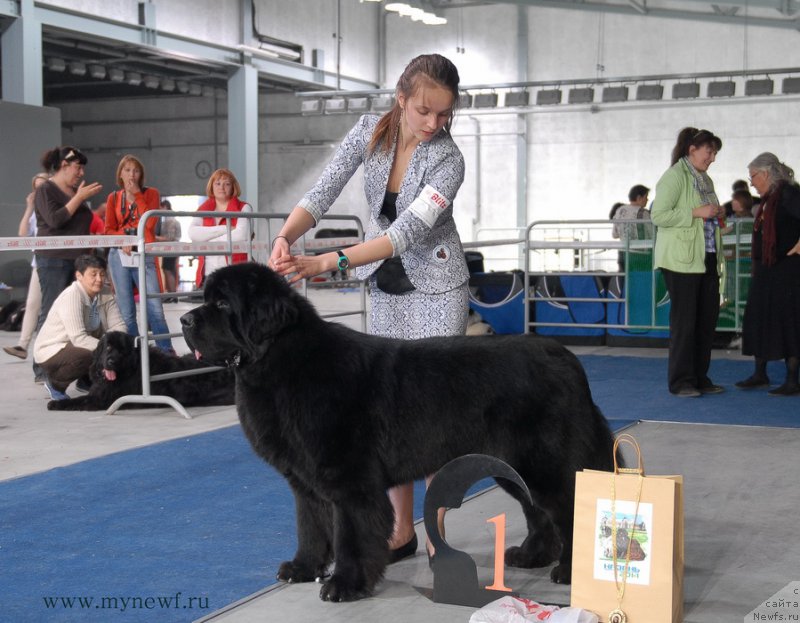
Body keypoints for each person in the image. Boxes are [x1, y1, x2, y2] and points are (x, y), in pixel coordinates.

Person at [269, 53, 469, 563]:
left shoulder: (450, 160)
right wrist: (286, 235)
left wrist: (327, 261)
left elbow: (406, 233)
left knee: (433, 418)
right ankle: (400, 530)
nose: (435, 124)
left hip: (437, 290)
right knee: (389, 416)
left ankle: (438, 538)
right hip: (384, 288)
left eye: (445, 114)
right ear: (401, 98)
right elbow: (323, 188)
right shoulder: (368, 131)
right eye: (425, 110)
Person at [650, 127, 725, 397]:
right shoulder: (674, 177)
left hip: (705, 257)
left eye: (715, 152)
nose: (713, 157)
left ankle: (699, 377)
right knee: (685, 323)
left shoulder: (705, 179)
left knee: (706, 320)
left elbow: (705, 213)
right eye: (710, 151)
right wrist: (695, 212)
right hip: (681, 261)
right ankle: (681, 381)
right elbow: (658, 215)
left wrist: (717, 213)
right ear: (692, 149)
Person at [34, 146, 103, 385]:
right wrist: (79, 198)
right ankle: (41, 368)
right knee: (50, 310)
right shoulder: (46, 190)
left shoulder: (76, 191)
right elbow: (55, 220)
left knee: (82, 313)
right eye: (78, 167)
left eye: (82, 167)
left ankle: (81, 367)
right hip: (53, 259)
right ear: (64, 165)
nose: (81, 173)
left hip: (77, 261)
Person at [735, 153, 800, 396]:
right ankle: (760, 373)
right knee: (759, 318)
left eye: (753, 176)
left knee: (789, 323)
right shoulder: (769, 199)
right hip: (767, 269)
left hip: (788, 270)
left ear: (766, 174)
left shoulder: (788, 194)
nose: (751, 182)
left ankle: (792, 379)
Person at [103, 155, 173, 352]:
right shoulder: (113, 198)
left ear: (141, 174)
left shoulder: (151, 194)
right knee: (126, 312)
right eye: (127, 170)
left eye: (136, 170)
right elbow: (108, 229)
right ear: (120, 174)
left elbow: (150, 224)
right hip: (119, 256)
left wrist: (137, 196)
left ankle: (166, 353)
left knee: (155, 310)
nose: (132, 174)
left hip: (144, 254)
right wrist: (124, 238)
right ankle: (135, 354)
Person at [32, 254, 126, 401]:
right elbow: (79, 338)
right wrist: (110, 349)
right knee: (90, 355)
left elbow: (118, 325)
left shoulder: (105, 292)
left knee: (116, 350)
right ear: (79, 276)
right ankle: (55, 384)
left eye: (102, 274)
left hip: (81, 343)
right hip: (53, 349)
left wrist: (120, 345)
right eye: (93, 274)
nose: (99, 279)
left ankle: (86, 381)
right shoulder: (72, 296)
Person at [3, 173, 50, 362]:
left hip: (56, 264)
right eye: (36, 187)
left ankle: (45, 349)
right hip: (38, 263)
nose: (39, 191)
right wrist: (30, 207)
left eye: (43, 186)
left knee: (50, 308)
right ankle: (23, 345)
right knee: (32, 305)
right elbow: (23, 234)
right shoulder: (35, 212)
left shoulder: (54, 207)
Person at [188, 168, 252, 288]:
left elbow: (241, 235)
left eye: (227, 184)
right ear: (211, 186)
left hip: (235, 272)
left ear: (233, 187)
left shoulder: (244, 208)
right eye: (217, 183)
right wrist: (224, 228)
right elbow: (192, 233)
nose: (221, 187)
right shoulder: (203, 209)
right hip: (208, 273)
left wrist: (206, 240)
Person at [155, 199, 182, 299]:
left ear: (165, 207)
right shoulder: (169, 219)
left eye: (160, 207)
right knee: (169, 270)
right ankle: (172, 294)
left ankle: (172, 295)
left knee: (168, 270)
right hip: (172, 248)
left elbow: (170, 237)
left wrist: (155, 238)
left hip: (171, 249)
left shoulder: (169, 220)